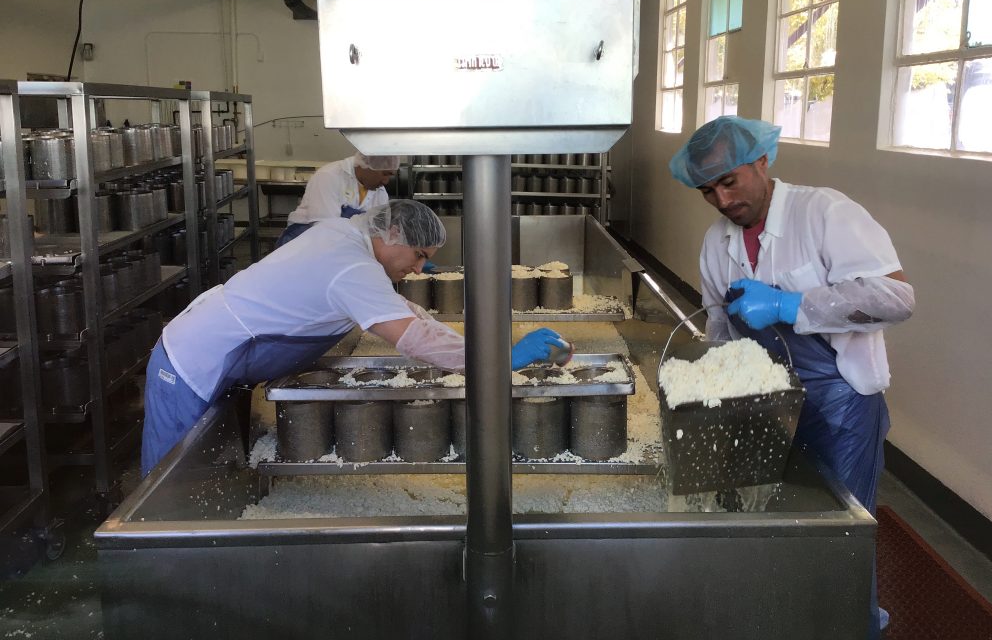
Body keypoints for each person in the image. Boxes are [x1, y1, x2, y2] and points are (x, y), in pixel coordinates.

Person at [669, 116, 915, 640]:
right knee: (774, 522)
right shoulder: (718, 242)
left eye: (729, 181)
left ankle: (851, 624)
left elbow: (895, 299)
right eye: (707, 190)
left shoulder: (823, 213)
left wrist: (791, 303)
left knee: (838, 533)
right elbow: (718, 328)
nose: (721, 200)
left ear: (762, 161)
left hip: (839, 404)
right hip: (765, 406)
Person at [142, 200, 567, 476]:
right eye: (420, 256)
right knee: (172, 483)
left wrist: (480, 345)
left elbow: (407, 314)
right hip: (191, 362)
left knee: (211, 469)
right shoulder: (352, 267)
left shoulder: (346, 235)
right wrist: (497, 358)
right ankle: (152, 582)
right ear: (393, 236)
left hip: (226, 359)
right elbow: (412, 336)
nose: (419, 270)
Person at [275, 152, 400, 247]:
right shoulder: (329, 176)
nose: (386, 181)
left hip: (341, 245)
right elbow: (325, 228)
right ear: (367, 165)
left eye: (390, 175)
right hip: (303, 243)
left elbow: (378, 230)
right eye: (385, 174)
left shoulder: (379, 192)